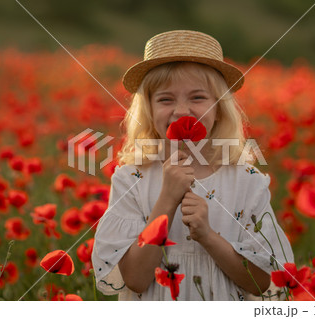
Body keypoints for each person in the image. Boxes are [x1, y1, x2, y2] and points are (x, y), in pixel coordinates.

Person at [92, 30, 294, 301]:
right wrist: (166, 200)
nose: (182, 110)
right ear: (149, 111)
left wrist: (208, 237)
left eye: (198, 98)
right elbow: (136, 279)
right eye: (166, 99)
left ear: (220, 108)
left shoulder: (246, 181)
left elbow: (261, 283)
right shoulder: (132, 179)